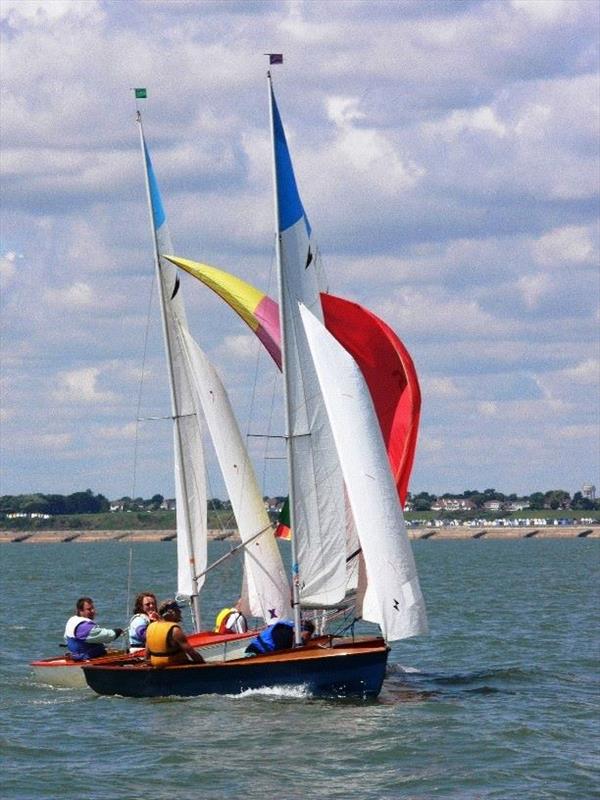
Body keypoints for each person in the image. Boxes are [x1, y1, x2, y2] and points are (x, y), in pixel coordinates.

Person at [145, 599, 205, 667]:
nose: (180, 612)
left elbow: (146, 657)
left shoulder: (150, 627)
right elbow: (192, 654)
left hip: (159, 669)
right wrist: (205, 665)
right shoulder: (175, 630)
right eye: (177, 610)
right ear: (170, 612)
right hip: (176, 670)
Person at [64, 597, 123, 661]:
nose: (93, 611)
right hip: (87, 657)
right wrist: (117, 631)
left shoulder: (72, 620)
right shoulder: (84, 626)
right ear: (80, 611)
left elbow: (66, 638)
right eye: (89, 609)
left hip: (75, 655)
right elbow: (106, 636)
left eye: (93, 608)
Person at [245, 619, 315, 656]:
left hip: (265, 654)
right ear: (301, 630)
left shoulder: (291, 633)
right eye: (308, 634)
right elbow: (280, 655)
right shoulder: (284, 634)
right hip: (255, 653)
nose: (309, 638)